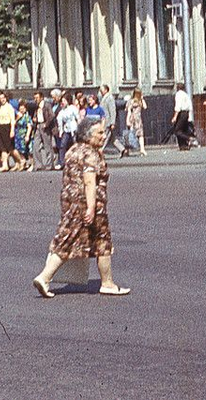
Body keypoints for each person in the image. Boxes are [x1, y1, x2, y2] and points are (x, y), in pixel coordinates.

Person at [32, 117, 130, 298]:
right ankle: (107, 283)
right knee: (103, 241)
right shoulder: (91, 154)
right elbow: (89, 181)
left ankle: (45, 277)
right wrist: (91, 208)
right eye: (99, 133)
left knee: (67, 240)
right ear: (88, 135)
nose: (103, 136)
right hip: (89, 204)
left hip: (70, 202)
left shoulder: (72, 151)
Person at [32, 91, 58, 171]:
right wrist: (35, 119)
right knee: (36, 145)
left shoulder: (46, 105)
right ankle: (38, 164)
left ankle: (49, 164)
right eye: (35, 98)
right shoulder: (37, 106)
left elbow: (52, 115)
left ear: (41, 97)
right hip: (38, 125)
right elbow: (36, 114)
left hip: (45, 126)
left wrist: (46, 124)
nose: (35, 99)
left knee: (47, 145)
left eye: (37, 98)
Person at [0, 92, 20, 172]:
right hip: (1, 127)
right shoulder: (1, 107)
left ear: (6, 98)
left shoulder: (9, 107)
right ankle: (5, 165)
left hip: (7, 127)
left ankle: (20, 161)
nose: (2, 99)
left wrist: (12, 130)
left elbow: (13, 119)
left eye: (3, 98)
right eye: (0, 98)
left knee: (11, 148)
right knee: (2, 148)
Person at [168, 83, 194, 150]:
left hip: (181, 114)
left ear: (177, 88)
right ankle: (183, 146)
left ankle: (188, 138)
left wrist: (175, 117)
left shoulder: (178, 94)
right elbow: (190, 105)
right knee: (183, 129)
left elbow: (178, 106)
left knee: (177, 130)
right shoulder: (186, 95)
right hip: (186, 113)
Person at [56, 93, 79, 169]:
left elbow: (78, 118)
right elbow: (59, 120)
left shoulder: (72, 108)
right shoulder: (62, 111)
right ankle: (62, 162)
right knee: (62, 145)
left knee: (75, 145)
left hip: (73, 129)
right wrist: (60, 131)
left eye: (64, 101)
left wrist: (79, 128)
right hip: (66, 130)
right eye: (62, 101)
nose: (63, 103)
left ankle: (77, 162)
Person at [14, 101, 34, 171]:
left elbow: (29, 126)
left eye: (23, 109)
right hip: (19, 135)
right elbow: (14, 123)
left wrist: (27, 136)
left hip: (25, 134)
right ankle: (23, 162)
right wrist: (17, 118)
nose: (22, 110)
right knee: (20, 150)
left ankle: (32, 164)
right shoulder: (19, 116)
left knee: (29, 151)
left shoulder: (27, 116)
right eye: (20, 108)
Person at [99, 86, 117, 154]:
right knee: (112, 138)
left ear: (106, 90)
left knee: (105, 137)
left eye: (102, 90)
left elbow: (112, 110)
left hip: (108, 121)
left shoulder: (109, 98)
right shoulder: (103, 98)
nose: (101, 92)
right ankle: (122, 149)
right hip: (104, 120)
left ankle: (100, 150)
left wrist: (113, 122)